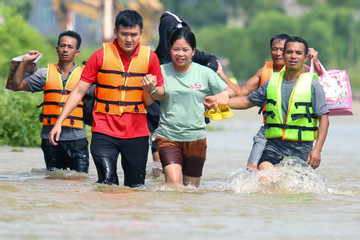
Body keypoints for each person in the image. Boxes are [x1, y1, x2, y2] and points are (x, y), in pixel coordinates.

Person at [49, 10, 164, 187]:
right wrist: (58, 122)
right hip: (104, 131)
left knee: (136, 187)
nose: (129, 39)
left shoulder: (151, 58)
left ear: (141, 34)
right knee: (107, 182)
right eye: (124, 34)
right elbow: (79, 91)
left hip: (136, 132)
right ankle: (105, 214)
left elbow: (161, 93)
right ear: (115, 32)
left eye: (133, 35)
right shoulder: (100, 55)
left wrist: (152, 88)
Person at [205, 36, 329, 171]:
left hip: (301, 147)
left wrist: (317, 149)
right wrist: (219, 101)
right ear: (284, 55)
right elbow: (246, 101)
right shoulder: (270, 82)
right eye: (289, 52)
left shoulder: (312, 83)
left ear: (305, 58)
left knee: (294, 188)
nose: (293, 56)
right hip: (274, 143)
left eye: (298, 53)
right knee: (262, 175)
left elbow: (324, 116)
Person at [154, 28, 235, 187]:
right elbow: (151, 97)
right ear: (170, 50)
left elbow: (229, 90)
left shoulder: (204, 73)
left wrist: (220, 97)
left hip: (196, 138)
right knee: (174, 185)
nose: (180, 54)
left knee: (191, 190)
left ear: (193, 51)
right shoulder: (161, 71)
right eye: (176, 49)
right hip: (168, 137)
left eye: (185, 50)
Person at [11, 30, 89, 173]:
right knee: (54, 181)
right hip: (50, 138)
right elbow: (17, 86)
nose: (65, 49)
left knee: (79, 182)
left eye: (70, 47)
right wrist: (24, 62)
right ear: (57, 49)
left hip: (77, 140)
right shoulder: (45, 73)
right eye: (62, 46)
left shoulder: (85, 75)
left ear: (77, 52)